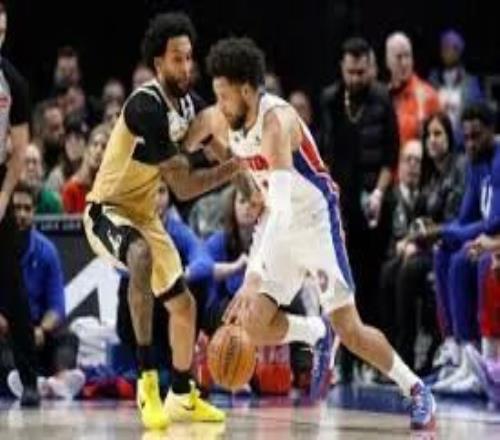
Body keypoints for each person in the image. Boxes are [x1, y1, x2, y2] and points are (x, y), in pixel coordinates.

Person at [204, 36, 436, 430]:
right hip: (278, 227)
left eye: (223, 96)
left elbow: (280, 208)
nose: (219, 105)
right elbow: (205, 139)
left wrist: (254, 275)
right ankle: (313, 330)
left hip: (315, 224)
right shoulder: (230, 120)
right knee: (252, 323)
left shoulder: (277, 122)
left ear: (245, 90)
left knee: (352, 331)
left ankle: (416, 388)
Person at [83, 13, 239, 430]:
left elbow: (221, 149)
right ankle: (147, 380)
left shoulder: (190, 104)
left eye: (189, 58)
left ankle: (183, 395)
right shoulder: (145, 107)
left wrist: (253, 179)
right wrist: (232, 171)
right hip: (107, 210)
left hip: (144, 215)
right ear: (158, 63)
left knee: (185, 306)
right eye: (177, 59)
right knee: (140, 257)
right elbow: (184, 188)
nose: (186, 67)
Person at [320, 38, 399, 379]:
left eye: (361, 72)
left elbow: (391, 155)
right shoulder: (330, 99)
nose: (355, 78)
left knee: (373, 281)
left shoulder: (383, 99)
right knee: (343, 283)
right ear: (342, 68)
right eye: (350, 72)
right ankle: (345, 361)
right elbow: (324, 153)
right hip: (341, 203)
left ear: (372, 67)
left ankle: (378, 362)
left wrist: (379, 193)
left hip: (374, 202)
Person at [431, 103, 500, 394]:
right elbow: (467, 216)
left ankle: (487, 362)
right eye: (466, 137)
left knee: (473, 260)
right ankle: (459, 354)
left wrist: (447, 231)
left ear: (492, 131)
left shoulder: (498, 159)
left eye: (476, 136)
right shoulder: (475, 161)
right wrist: (444, 234)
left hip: (496, 238)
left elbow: (494, 220)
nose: (470, 144)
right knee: (443, 253)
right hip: (488, 237)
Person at [4, 183, 84, 400]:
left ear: (34, 212)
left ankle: (59, 379)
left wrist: (41, 330)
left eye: (27, 209)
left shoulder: (47, 250)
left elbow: (57, 306)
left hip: (38, 332)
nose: (21, 215)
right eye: (16, 208)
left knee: (68, 338)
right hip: (8, 332)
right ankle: (29, 380)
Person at [0, 53, 40, 406]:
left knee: (12, 286)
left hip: (0, 179)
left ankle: (30, 381)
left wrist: (3, 197)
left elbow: (20, 147)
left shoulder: (12, 81)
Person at [386, 32, 440, 147]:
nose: (404, 63)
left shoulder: (429, 96)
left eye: (407, 56)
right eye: (399, 57)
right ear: (388, 61)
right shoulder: (382, 96)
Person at [429, 30, 483, 140]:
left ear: (459, 52)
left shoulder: (471, 83)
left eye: (452, 48)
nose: (446, 51)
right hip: (437, 142)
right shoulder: (432, 80)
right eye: (444, 47)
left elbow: (478, 116)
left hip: (462, 143)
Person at [62, 124, 109, 214]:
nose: (98, 151)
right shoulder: (71, 189)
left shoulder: (109, 190)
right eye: (95, 144)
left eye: (104, 147)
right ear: (87, 149)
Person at [23, 143, 63, 214]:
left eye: (35, 162)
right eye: (26, 162)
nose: (30, 167)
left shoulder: (52, 201)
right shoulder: (9, 200)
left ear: (42, 169)